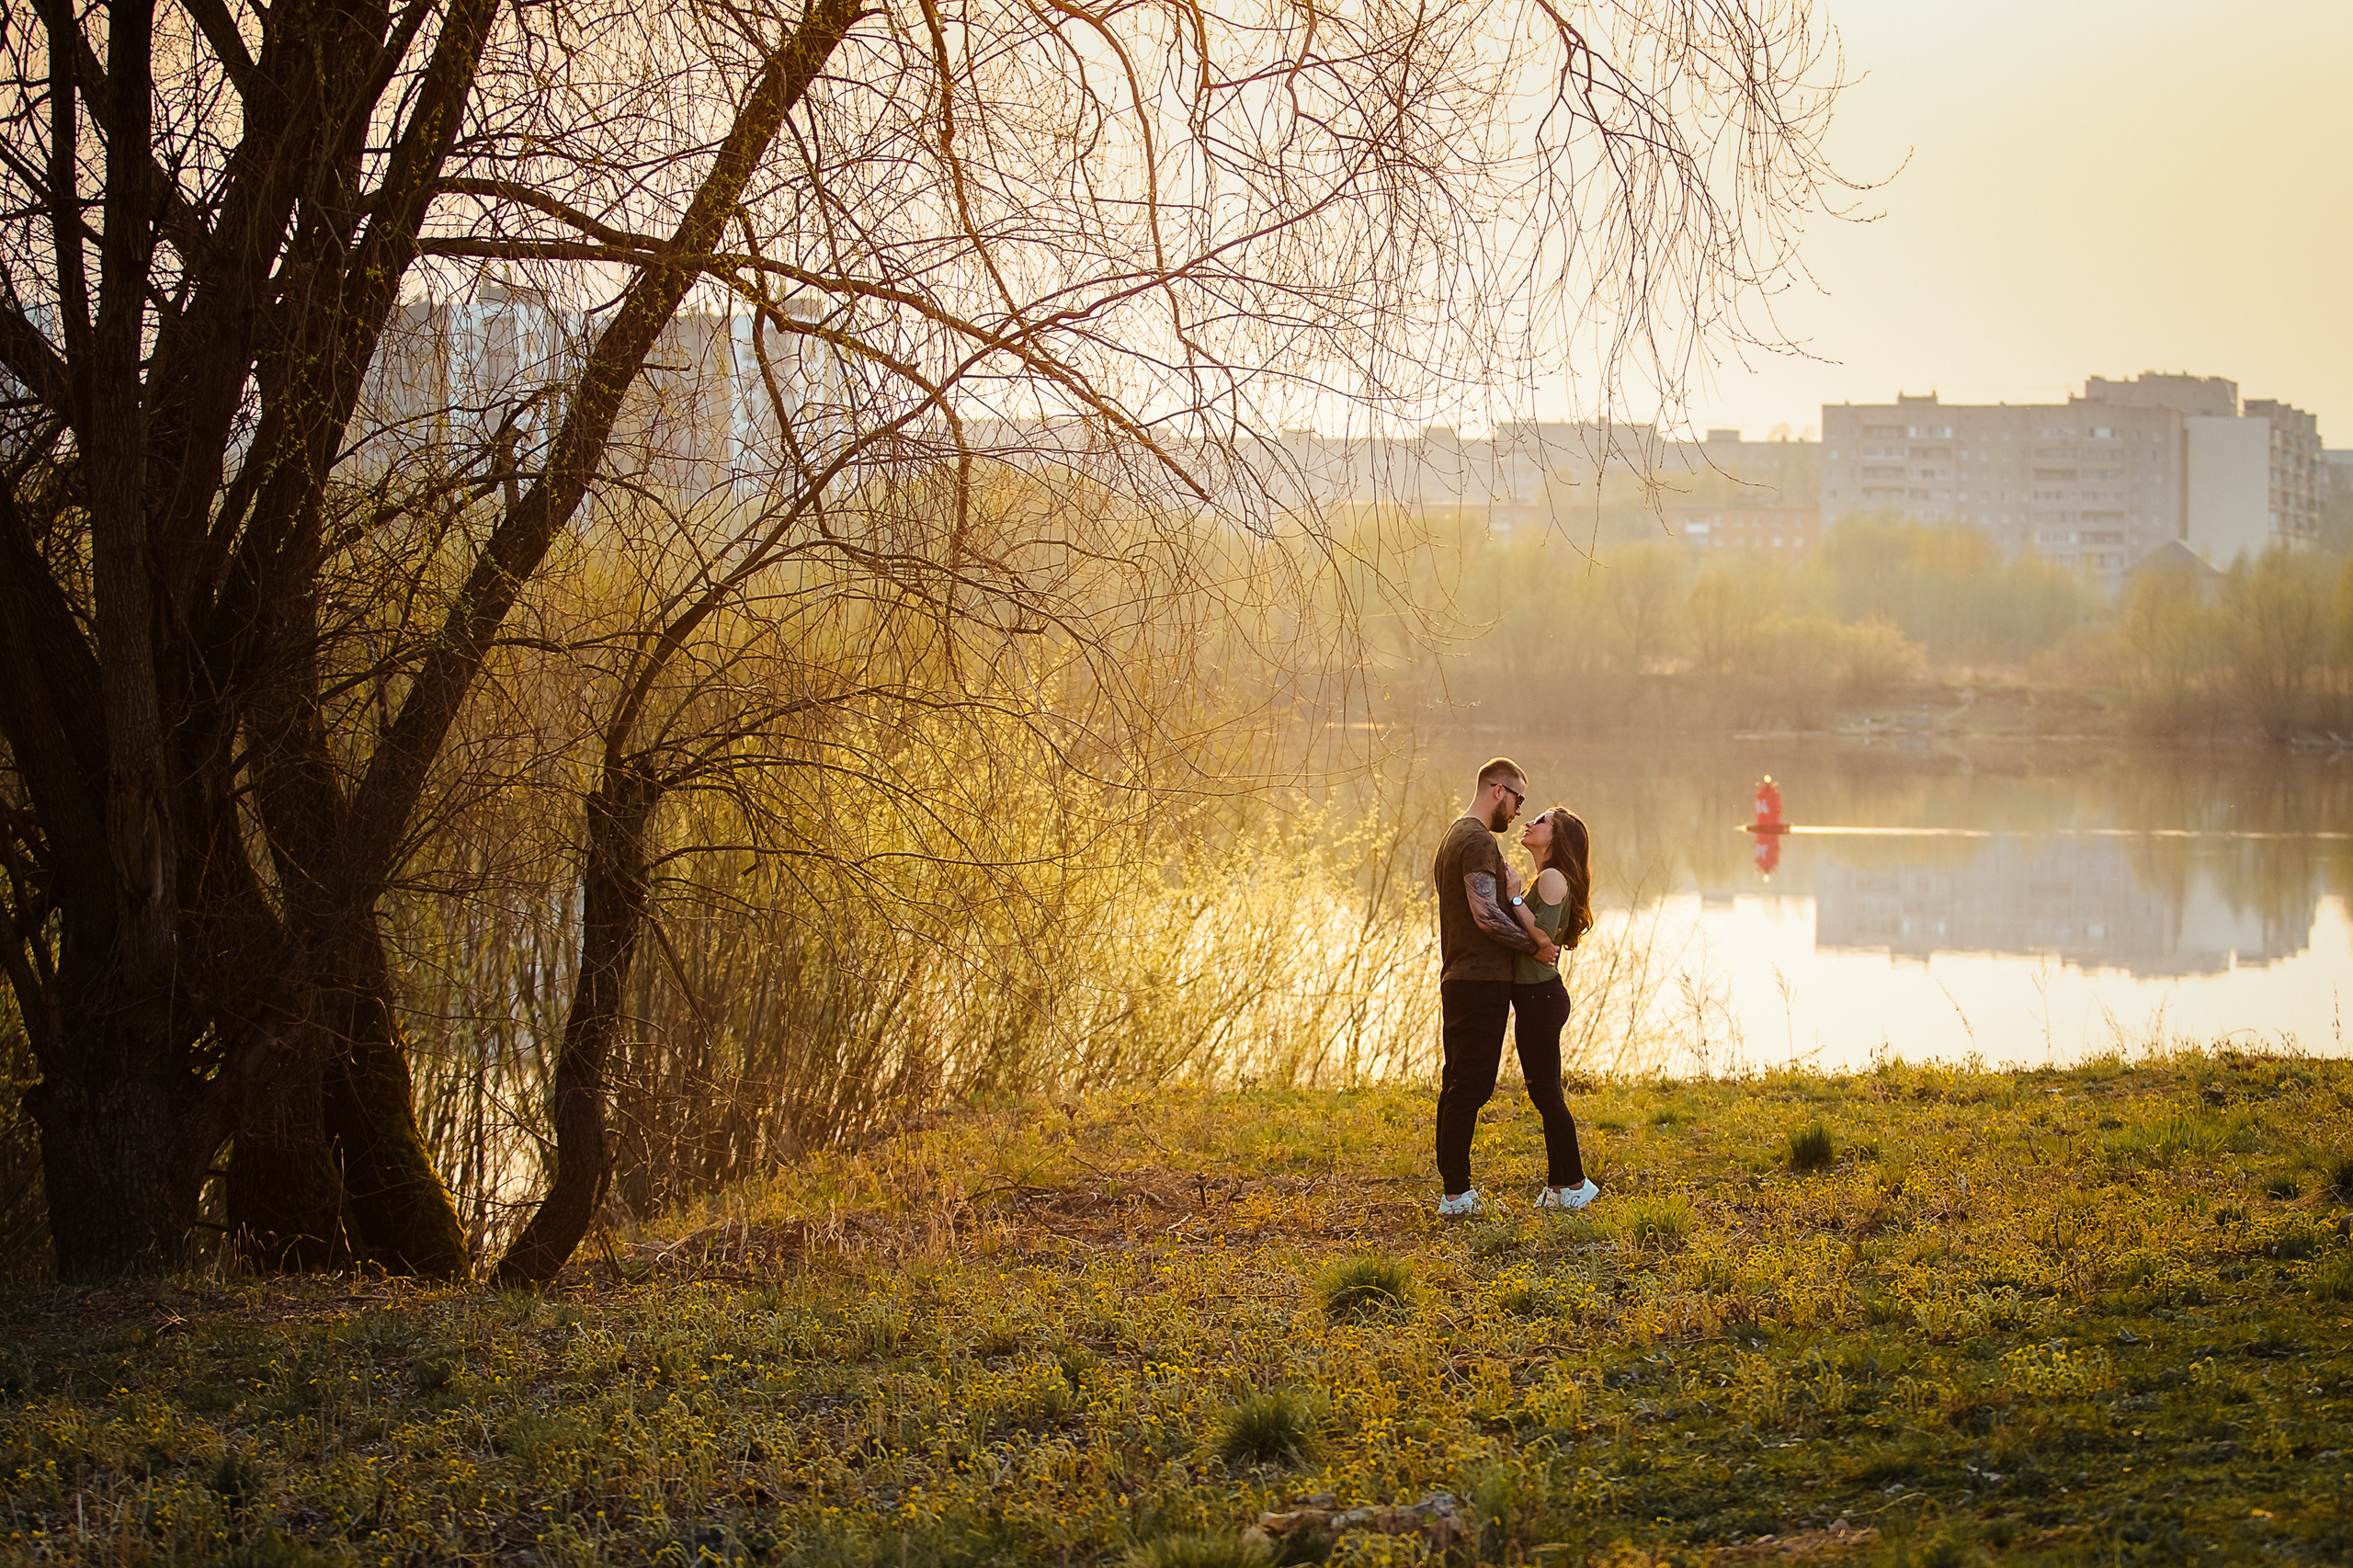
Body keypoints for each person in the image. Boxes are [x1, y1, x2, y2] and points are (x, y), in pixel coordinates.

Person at [1430, 757, 1558, 1217]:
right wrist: (1535, 945)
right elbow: (1485, 915)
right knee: (1471, 1084)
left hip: (1465, 977)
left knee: (1458, 1082)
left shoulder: (1455, 835)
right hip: (1478, 980)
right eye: (1519, 799)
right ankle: (1456, 1195)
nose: (1520, 811)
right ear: (1498, 791)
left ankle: (1454, 1189)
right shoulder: (1477, 839)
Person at [1504, 809, 1600, 1210]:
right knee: (1544, 1093)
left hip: (1540, 998)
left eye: (1541, 820)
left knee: (1547, 1094)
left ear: (1557, 837)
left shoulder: (1552, 877)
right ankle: (1560, 1186)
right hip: (1536, 998)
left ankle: (1576, 1183)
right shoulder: (1546, 878)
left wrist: (1512, 896)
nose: (1530, 823)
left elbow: (1542, 938)